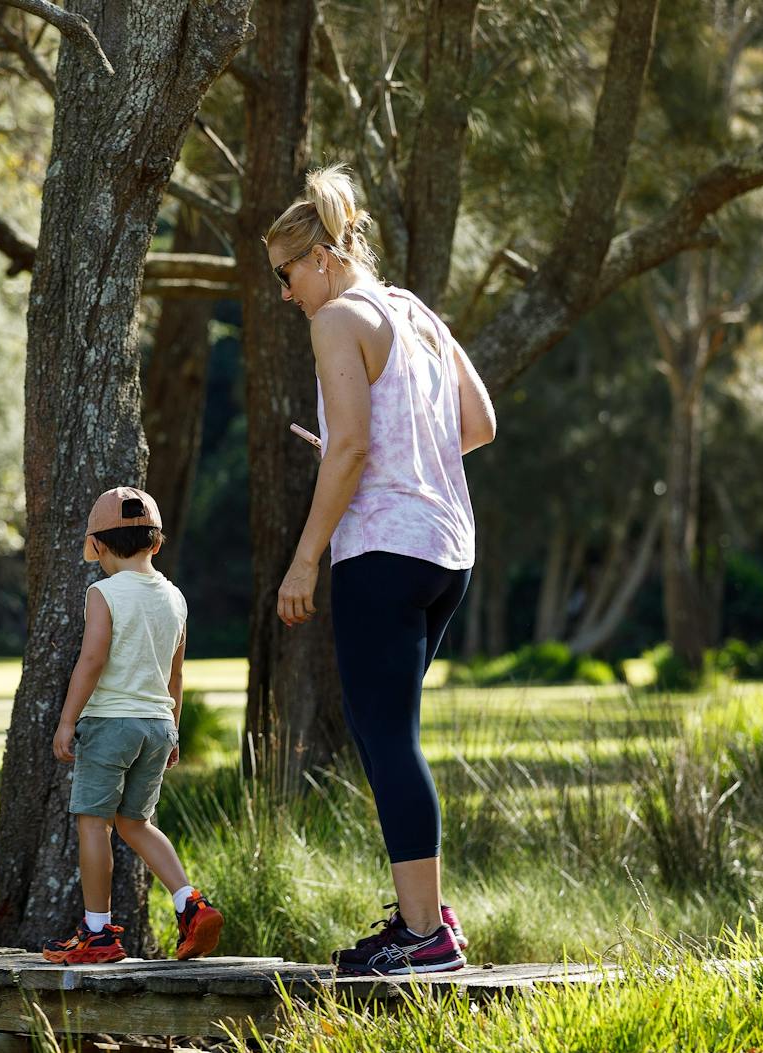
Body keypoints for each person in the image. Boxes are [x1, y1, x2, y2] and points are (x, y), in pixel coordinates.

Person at [267, 164, 497, 976]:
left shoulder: (338, 319)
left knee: (388, 738)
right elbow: (477, 423)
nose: (286, 293)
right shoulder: (415, 313)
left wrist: (304, 562)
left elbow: (358, 449)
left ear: (322, 258)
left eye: (286, 274)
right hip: (446, 552)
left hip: (382, 551)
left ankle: (426, 936)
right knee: (385, 732)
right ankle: (423, 918)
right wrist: (381, 451)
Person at [42, 486, 224, 965]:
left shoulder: (102, 592)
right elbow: (176, 673)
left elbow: (93, 658)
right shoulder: (175, 597)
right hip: (158, 724)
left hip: (109, 724)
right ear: (156, 543)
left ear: (98, 546)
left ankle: (97, 932)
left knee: (93, 823)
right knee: (136, 822)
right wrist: (175, 729)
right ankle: (189, 902)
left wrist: (67, 721)